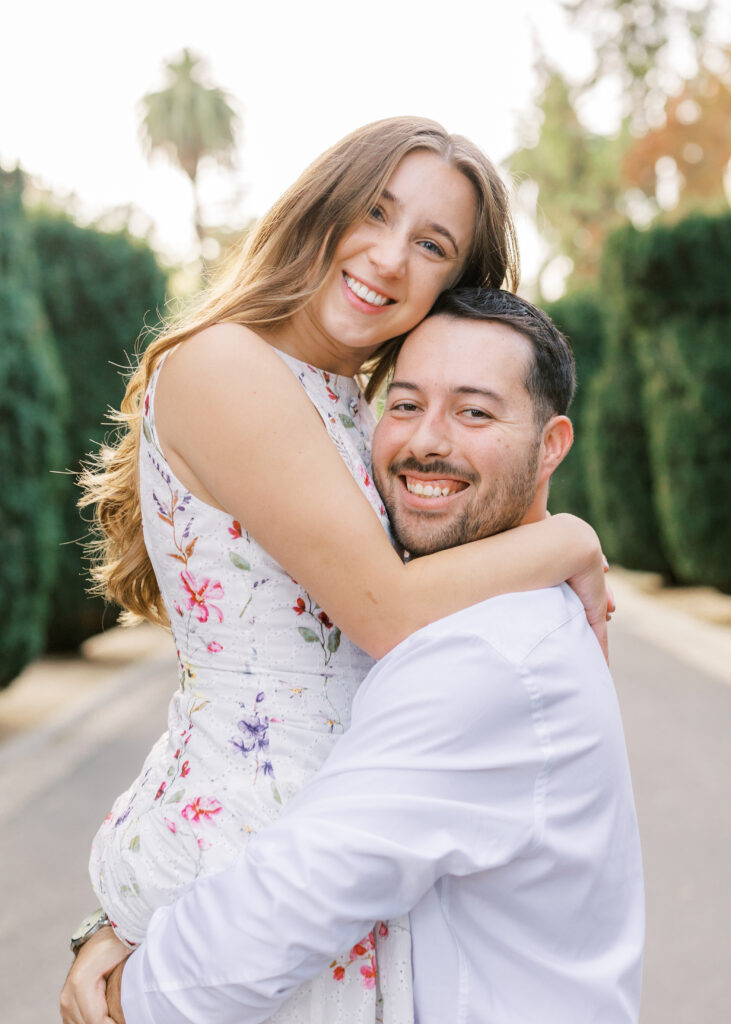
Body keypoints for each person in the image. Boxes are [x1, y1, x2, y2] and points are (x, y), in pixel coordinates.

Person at [61, 119, 609, 1024]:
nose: (390, 259)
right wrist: (571, 540)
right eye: (373, 211)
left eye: (431, 245)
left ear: (452, 287)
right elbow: (386, 612)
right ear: (320, 207)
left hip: (325, 858)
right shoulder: (226, 364)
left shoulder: (347, 401)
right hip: (252, 872)